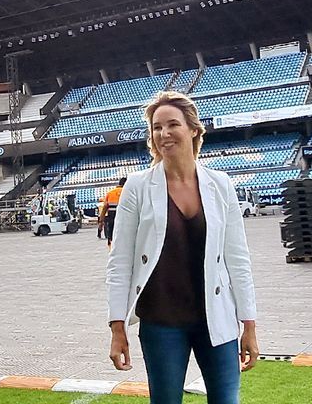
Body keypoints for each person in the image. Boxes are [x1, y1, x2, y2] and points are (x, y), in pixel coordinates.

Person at [106, 91, 259, 404]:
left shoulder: (221, 184)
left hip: (216, 319)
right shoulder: (137, 187)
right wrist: (117, 326)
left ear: (193, 129)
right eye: (156, 127)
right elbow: (120, 262)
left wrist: (249, 325)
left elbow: (238, 260)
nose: (164, 133)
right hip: (160, 322)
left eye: (172, 124)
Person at [97, 177, 128, 246]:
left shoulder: (110, 193)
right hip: (124, 218)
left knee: (111, 234)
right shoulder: (128, 193)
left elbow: (105, 207)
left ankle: (111, 246)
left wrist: (101, 220)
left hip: (111, 217)